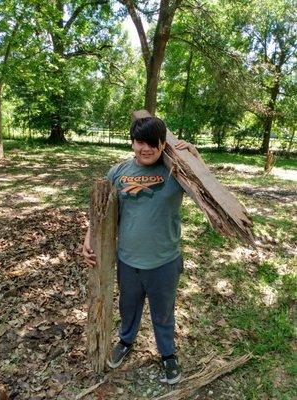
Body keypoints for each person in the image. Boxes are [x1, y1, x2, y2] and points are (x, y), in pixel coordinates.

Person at [82, 116, 198, 384]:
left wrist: (193, 155)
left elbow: (203, 183)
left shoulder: (175, 172)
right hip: (128, 260)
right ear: (132, 142)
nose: (145, 149)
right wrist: (89, 239)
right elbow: (100, 211)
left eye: (152, 144)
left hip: (164, 261)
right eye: (139, 142)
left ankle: (168, 355)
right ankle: (125, 340)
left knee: (163, 311)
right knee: (128, 306)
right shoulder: (118, 172)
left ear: (162, 145)